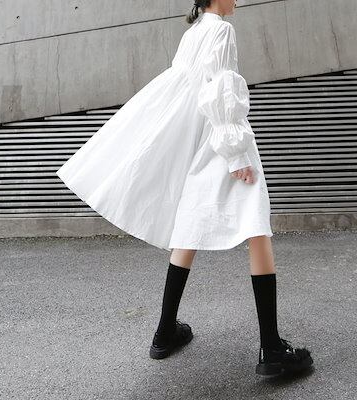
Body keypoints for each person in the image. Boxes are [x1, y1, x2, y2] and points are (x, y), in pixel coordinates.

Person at [56, 0, 314, 377]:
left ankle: (164, 333)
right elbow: (221, 90)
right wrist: (236, 152)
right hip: (222, 142)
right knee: (256, 225)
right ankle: (272, 348)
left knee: (189, 229)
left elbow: (182, 93)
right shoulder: (221, 29)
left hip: (200, 143)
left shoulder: (193, 33)